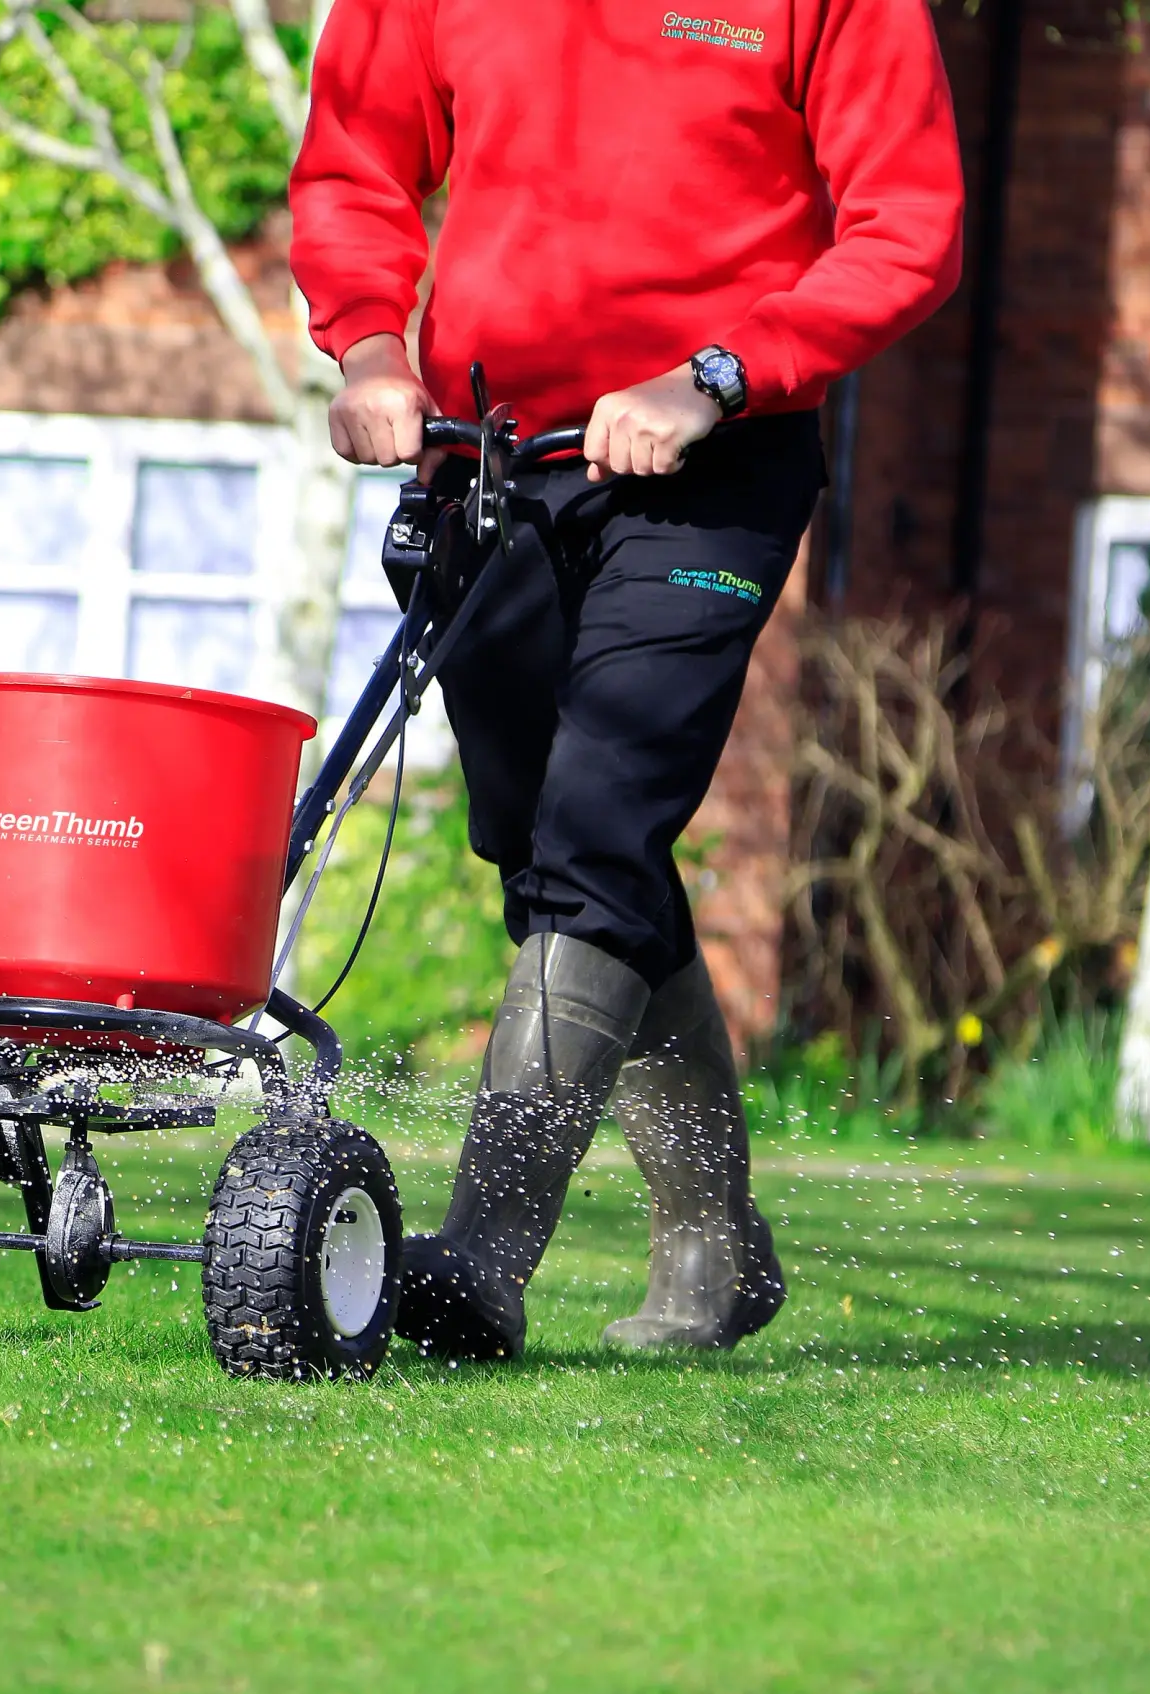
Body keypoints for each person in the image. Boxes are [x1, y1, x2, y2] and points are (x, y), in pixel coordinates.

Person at [290, 0, 965, 1360]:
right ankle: (716, 1253)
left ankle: (484, 1254)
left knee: (601, 826)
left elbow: (911, 225)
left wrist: (716, 376)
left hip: (713, 469)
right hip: (495, 458)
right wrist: (371, 345)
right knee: (549, 853)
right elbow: (357, 156)